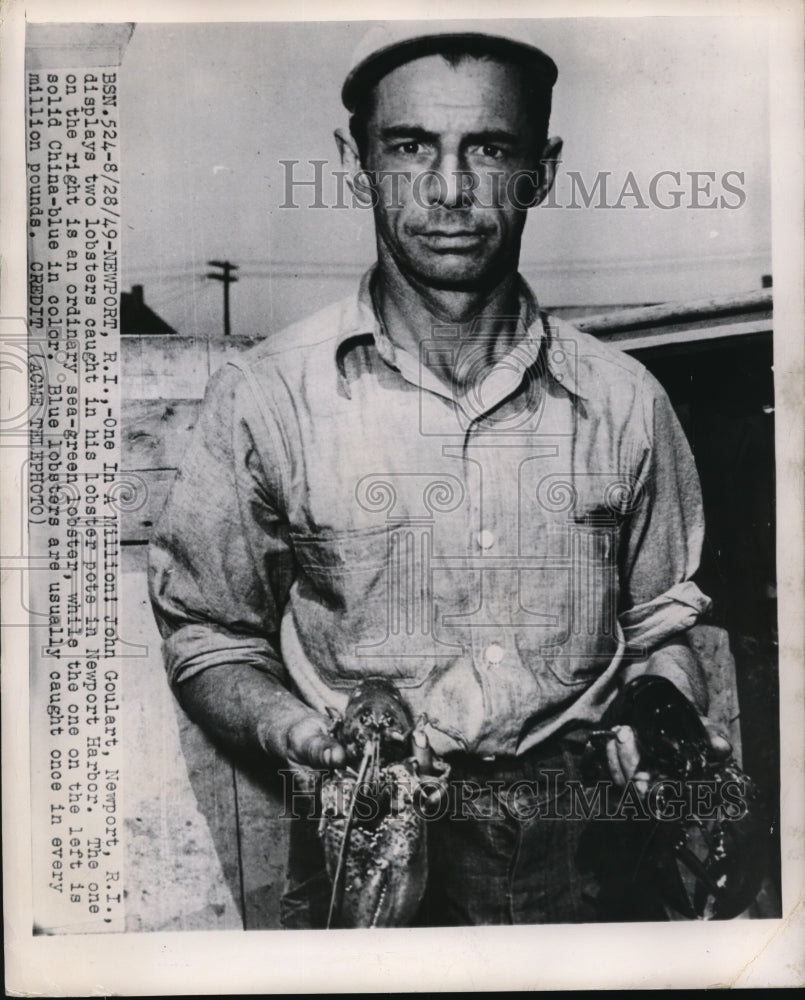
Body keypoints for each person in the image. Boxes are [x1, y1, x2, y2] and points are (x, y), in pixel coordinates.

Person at [148, 23, 724, 927]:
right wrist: (302, 734)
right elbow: (210, 637)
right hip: (368, 851)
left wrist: (659, 705)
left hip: (594, 862)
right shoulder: (267, 398)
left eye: (490, 149)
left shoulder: (626, 400)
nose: (449, 191)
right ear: (356, 160)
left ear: (542, 165)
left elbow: (663, 622)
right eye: (410, 146)